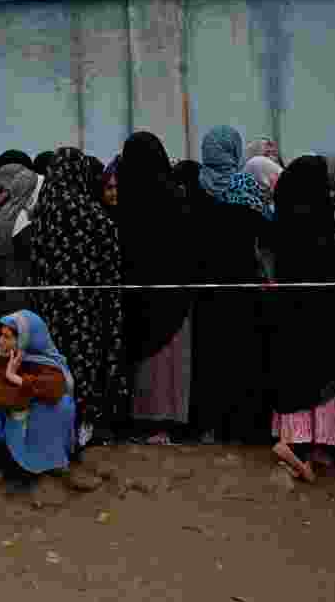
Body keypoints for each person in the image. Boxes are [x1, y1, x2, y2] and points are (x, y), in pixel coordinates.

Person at [29, 147, 125, 448]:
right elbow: (110, 259)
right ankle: (83, 421)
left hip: (49, 303)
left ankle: (52, 422)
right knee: (83, 360)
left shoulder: (43, 212)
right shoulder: (92, 212)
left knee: (52, 359)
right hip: (86, 305)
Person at [268, 156, 335, 482]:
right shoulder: (322, 223)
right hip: (324, 319)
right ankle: (318, 444)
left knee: (294, 376)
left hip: (289, 317)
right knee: (322, 377)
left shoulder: (284, 221)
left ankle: (293, 441)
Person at [190, 126, 273, 445]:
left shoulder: (195, 186)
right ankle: (243, 426)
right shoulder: (246, 186)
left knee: (211, 357)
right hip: (243, 286)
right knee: (244, 357)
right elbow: (266, 230)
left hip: (208, 290)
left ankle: (209, 425)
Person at [120, 133, 197, 445]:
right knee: (172, 360)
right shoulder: (176, 196)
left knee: (147, 362)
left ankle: (145, 420)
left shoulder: (129, 197)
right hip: (176, 295)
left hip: (140, 295)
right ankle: (171, 420)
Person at [0, 310, 75, 486]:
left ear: (24, 339)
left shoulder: (40, 358)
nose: (0, 342)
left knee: (62, 404)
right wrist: (25, 394)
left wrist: (15, 378)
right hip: (5, 411)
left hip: (23, 406)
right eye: (1, 336)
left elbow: (56, 385)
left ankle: (50, 460)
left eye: (7, 337)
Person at [0, 163, 43, 317]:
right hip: (20, 283)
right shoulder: (21, 216)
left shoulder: (5, 212)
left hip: (9, 279)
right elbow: (27, 252)